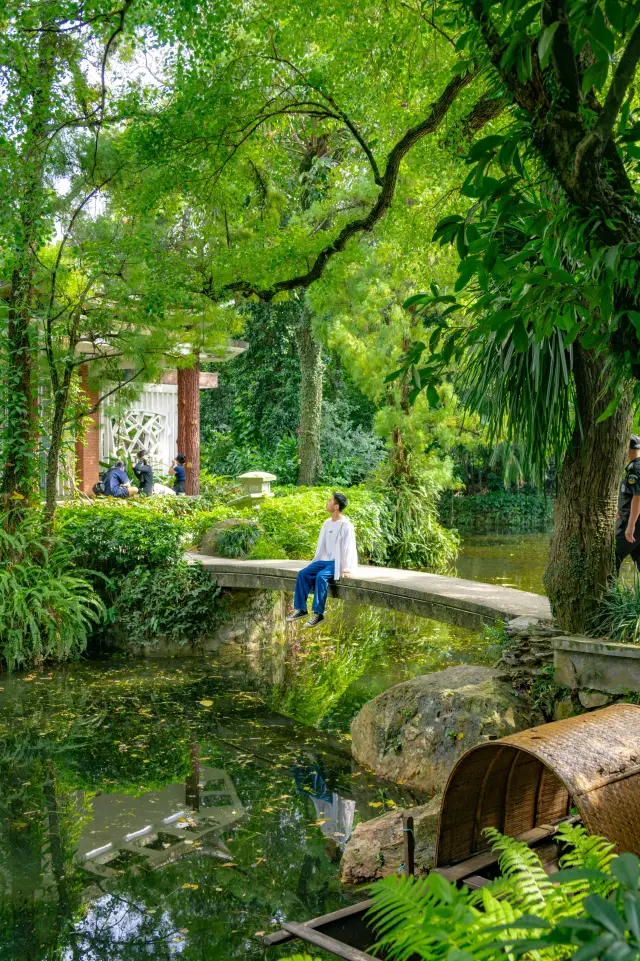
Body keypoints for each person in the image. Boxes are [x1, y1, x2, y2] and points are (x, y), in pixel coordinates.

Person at [286, 492, 358, 628]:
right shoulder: (327, 523)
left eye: (330, 501)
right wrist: (315, 562)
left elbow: (349, 548)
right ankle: (301, 609)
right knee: (303, 573)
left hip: (338, 562)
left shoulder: (346, 525)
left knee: (321, 577)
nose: (327, 503)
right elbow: (321, 546)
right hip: (326, 561)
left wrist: (347, 568)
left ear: (336, 506)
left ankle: (318, 614)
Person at [616, 434, 640, 573]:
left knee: (612, 558)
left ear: (627, 448)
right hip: (634, 522)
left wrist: (630, 526)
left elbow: (638, 498)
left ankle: (606, 594)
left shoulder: (636, 469)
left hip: (634, 523)